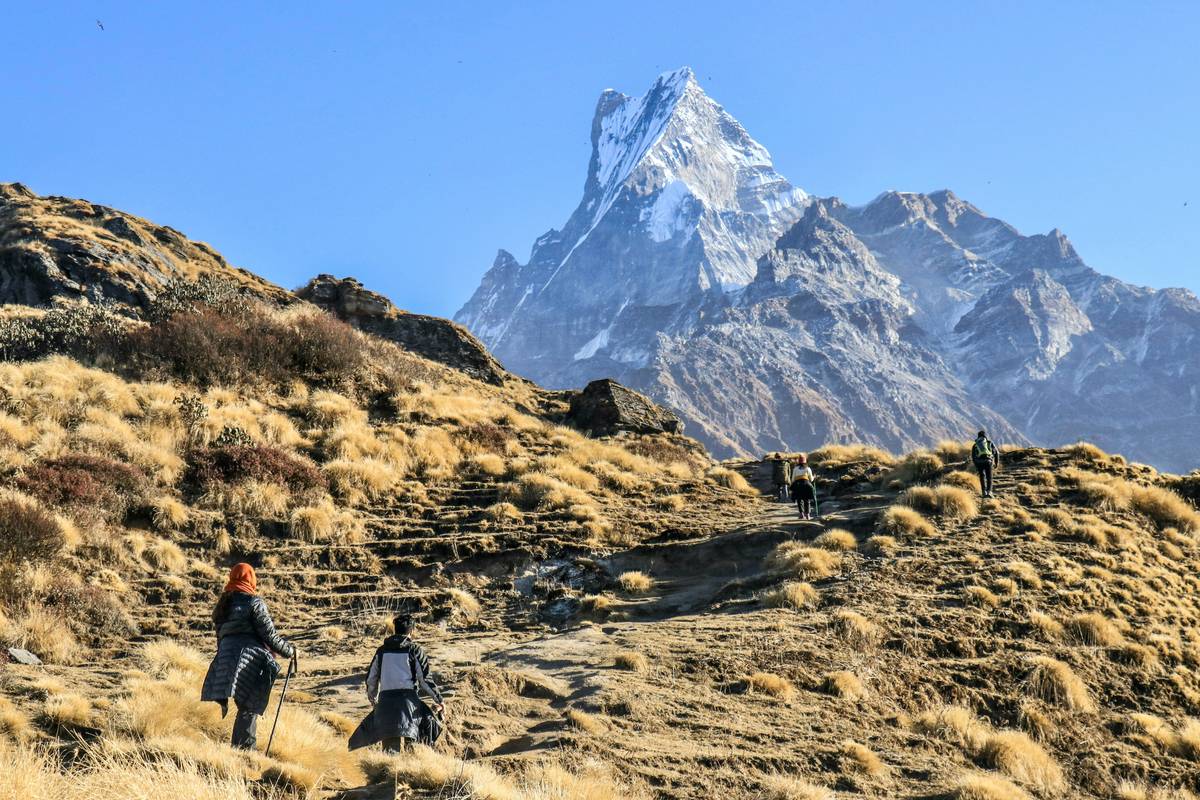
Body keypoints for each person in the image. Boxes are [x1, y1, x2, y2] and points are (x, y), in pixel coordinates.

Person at [200, 563, 296, 750]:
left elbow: (220, 638)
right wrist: (290, 652)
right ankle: (245, 752)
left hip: (225, 660)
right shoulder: (254, 602)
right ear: (251, 580)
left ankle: (239, 751)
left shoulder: (223, 605)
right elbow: (269, 635)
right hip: (248, 660)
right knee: (249, 706)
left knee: (245, 706)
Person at [349, 614, 445, 753]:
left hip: (386, 703)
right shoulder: (414, 650)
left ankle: (389, 767)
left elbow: (371, 679)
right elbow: (424, 680)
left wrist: (374, 700)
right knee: (413, 749)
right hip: (409, 704)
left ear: (395, 629)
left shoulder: (382, 651)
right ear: (412, 631)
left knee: (390, 752)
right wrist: (439, 700)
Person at [972, 430, 1000, 498]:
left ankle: (983, 492)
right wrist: (996, 463)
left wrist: (976, 465)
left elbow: (973, 456)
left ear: (978, 436)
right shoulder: (989, 442)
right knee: (989, 477)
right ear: (985, 436)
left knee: (982, 476)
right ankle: (989, 492)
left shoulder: (975, 445)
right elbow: (997, 453)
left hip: (979, 462)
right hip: (988, 461)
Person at [790, 454, 818, 520]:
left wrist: (793, 485)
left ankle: (801, 514)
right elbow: (811, 479)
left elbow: (793, 479)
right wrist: (814, 477)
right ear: (805, 461)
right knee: (807, 500)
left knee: (799, 500)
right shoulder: (808, 468)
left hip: (797, 485)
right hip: (806, 484)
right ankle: (807, 514)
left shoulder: (795, 469)